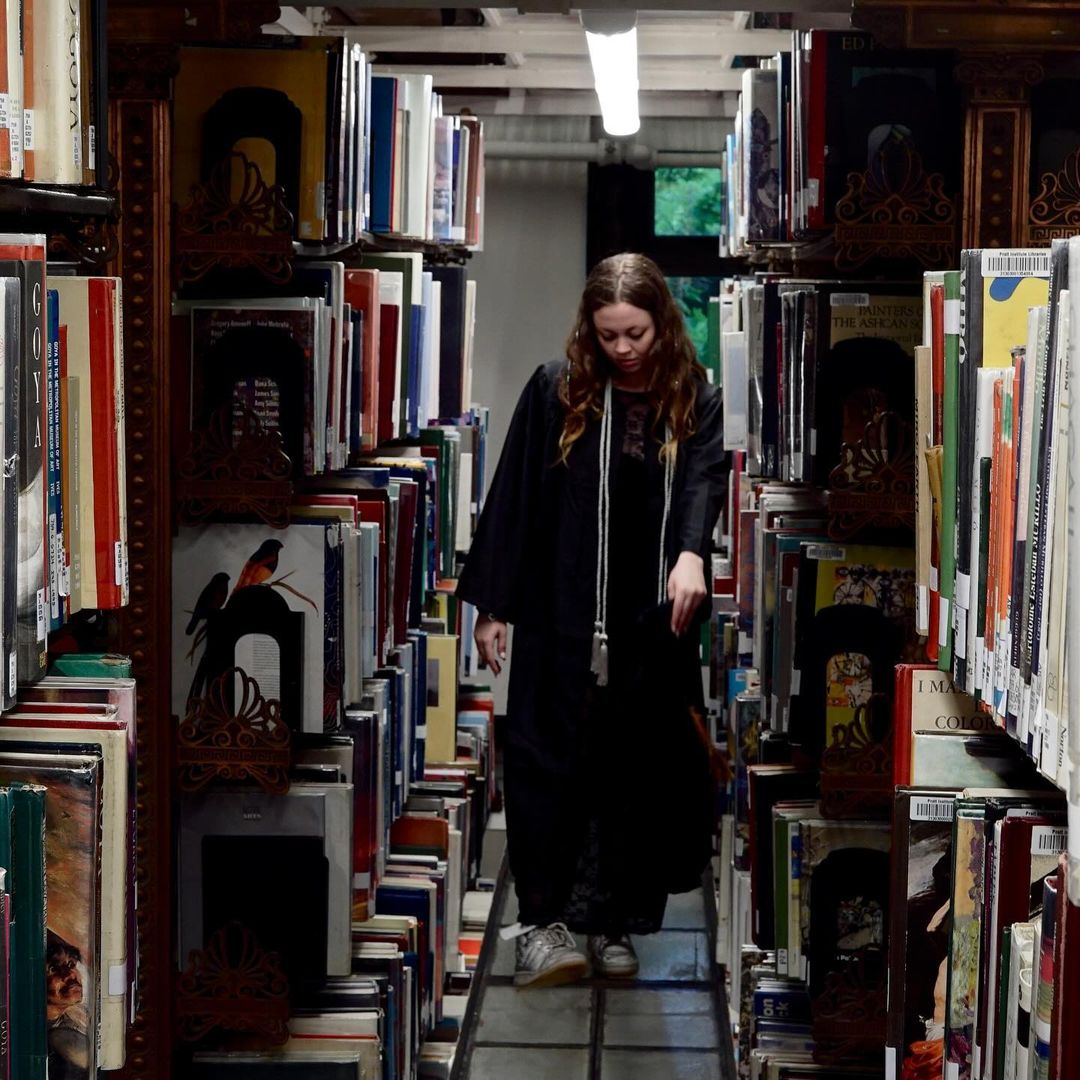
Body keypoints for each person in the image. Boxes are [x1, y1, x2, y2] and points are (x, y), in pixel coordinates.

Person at [457, 253, 728, 988]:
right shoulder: (559, 389)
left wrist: (691, 556)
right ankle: (545, 926)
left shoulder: (692, 398)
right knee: (549, 762)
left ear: (661, 324)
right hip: (560, 612)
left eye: (635, 332)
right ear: (591, 330)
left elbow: (702, 483)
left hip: (649, 623)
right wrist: (494, 608)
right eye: (608, 335)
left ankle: (615, 924)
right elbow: (514, 496)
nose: (623, 349)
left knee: (635, 770)